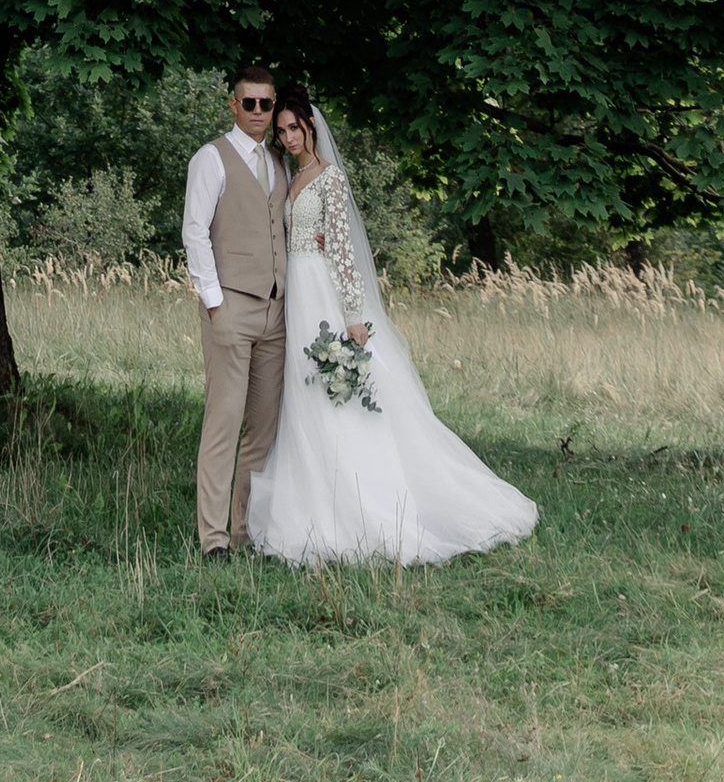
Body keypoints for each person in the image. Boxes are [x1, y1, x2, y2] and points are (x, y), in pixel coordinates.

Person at [247, 83, 539, 566]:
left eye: (294, 128)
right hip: (295, 294)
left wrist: (353, 316)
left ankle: (364, 504)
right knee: (302, 394)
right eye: (281, 131)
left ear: (311, 126)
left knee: (334, 395)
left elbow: (343, 252)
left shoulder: (329, 179)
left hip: (321, 291)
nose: (288, 137)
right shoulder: (288, 177)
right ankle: (310, 499)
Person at [180, 64, 286, 557]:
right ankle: (213, 539)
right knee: (223, 424)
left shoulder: (280, 163)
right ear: (234, 105)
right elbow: (194, 231)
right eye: (250, 103)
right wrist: (214, 302)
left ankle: (246, 531)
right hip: (229, 311)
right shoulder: (212, 158)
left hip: (275, 314)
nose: (260, 112)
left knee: (262, 429)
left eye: (266, 103)